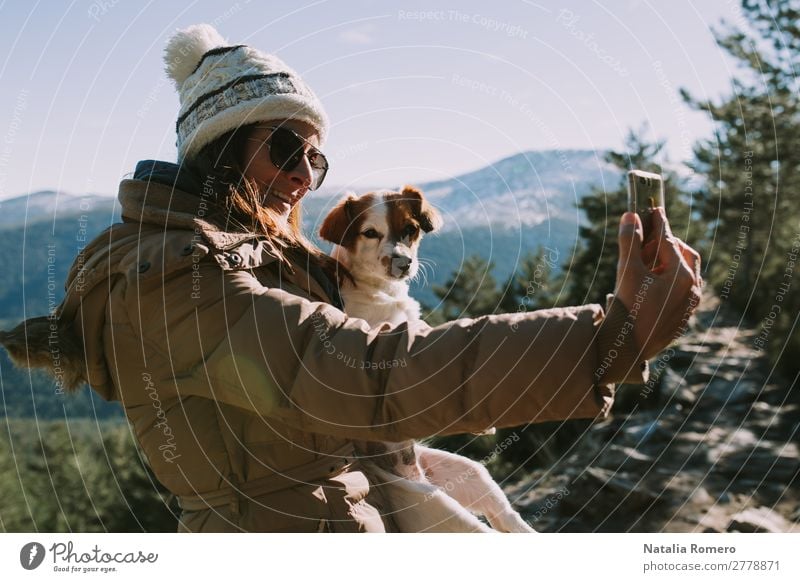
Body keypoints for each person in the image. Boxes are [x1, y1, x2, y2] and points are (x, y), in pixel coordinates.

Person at [0, 24, 701, 533]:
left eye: (316, 158)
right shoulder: (175, 280)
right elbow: (366, 376)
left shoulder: (259, 257)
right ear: (216, 153)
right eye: (283, 147)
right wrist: (612, 336)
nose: (304, 174)